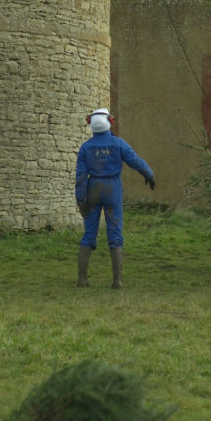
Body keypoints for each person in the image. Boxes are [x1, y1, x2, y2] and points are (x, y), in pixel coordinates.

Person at [75, 108, 155, 289]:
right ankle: (117, 281)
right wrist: (148, 174)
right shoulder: (118, 144)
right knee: (115, 233)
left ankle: (82, 279)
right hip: (113, 188)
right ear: (109, 122)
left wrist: (80, 199)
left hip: (93, 188)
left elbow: (81, 176)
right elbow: (134, 160)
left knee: (89, 233)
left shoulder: (86, 147)